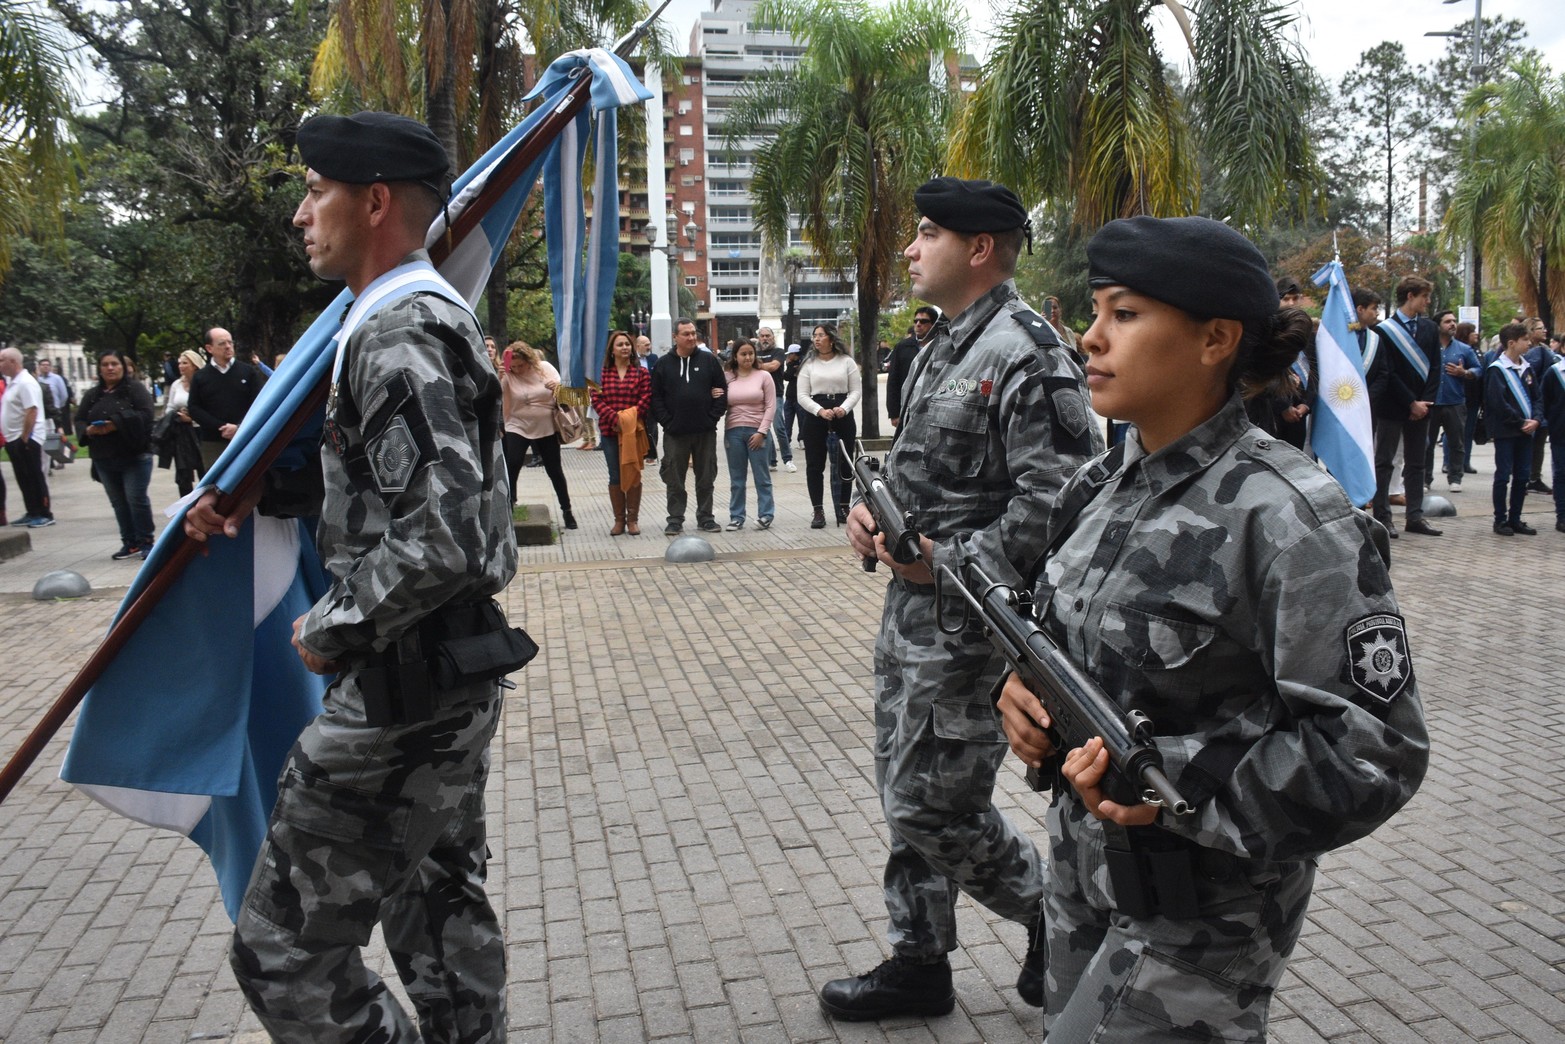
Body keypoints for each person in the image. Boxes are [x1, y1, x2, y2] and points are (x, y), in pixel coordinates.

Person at [997, 215, 1428, 1040]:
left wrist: (1170, 784)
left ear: (1214, 340)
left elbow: (1374, 749)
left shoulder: (1291, 517)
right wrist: (1016, 694)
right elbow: (1061, 644)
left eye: (1123, 315)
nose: (1088, 338)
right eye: (1094, 311)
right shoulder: (1094, 488)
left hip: (1205, 915)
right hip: (1084, 879)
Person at [183, 110, 516, 1042]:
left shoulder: (398, 329)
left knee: (282, 954)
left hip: (400, 686)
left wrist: (331, 626)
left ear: (374, 202)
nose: (300, 213)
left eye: (316, 190)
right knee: (435, 908)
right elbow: (387, 477)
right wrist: (270, 487)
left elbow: (444, 532)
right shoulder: (405, 319)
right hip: (443, 670)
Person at [827, 177, 1100, 1020]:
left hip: (977, 629)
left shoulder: (1027, 350)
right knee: (902, 791)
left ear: (978, 248)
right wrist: (868, 515)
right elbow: (921, 475)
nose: (909, 250)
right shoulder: (948, 343)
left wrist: (945, 562)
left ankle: (1055, 914)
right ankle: (919, 959)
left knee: (928, 804)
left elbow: (1060, 504)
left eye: (926, 234)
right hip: (915, 623)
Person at [1370, 277, 1442, 536]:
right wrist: (1410, 402)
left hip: (1423, 407)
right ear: (1410, 296)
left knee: (1416, 463)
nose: (1428, 301)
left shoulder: (1430, 329)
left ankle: (1415, 516)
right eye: (1425, 296)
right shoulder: (1384, 330)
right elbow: (1387, 371)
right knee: (1384, 462)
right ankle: (1383, 517)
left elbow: (1436, 367)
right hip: (1393, 405)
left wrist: (1425, 402)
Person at [651, 317, 728, 536]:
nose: (692, 337)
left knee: (706, 477)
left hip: (705, 432)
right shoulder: (663, 364)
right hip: (675, 433)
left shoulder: (709, 361)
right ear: (675, 337)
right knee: (674, 478)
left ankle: (706, 517)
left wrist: (711, 418)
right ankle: (675, 519)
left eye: (694, 333)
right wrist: (667, 422)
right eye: (686, 334)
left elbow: (721, 391)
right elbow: (655, 398)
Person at [75, 349, 156, 557]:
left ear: (122, 366)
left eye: (114, 364)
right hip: (104, 457)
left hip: (134, 455)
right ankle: (130, 542)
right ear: (100, 369)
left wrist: (116, 424)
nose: (110, 368)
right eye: (105, 365)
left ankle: (146, 540)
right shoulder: (93, 394)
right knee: (118, 501)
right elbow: (80, 418)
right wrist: (88, 430)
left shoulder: (135, 390)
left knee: (135, 498)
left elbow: (146, 415)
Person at [499, 340, 577, 529]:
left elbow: (570, 396)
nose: (517, 369)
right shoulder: (508, 374)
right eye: (514, 366)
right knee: (513, 464)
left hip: (546, 425)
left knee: (554, 470)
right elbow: (498, 397)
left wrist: (556, 388)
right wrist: (500, 377)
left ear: (529, 360)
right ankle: (510, 505)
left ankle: (567, 510)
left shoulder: (545, 368)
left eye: (521, 365)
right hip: (517, 424)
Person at [796, 323, 861, 528]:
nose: (816, 339)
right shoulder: (809, 364)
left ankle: (843, 507)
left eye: (821, 335)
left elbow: (855, 391)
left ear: (831, 339)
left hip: (842, 413)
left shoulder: (846, 362)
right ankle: (818, 510)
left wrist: (844, 408)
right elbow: (802, 395)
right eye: (814, 335)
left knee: (844, 462)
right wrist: (819, 411)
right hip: (816, 415)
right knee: (814, 465)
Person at [590, 329, 651, 535]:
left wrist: (627, 420)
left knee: (633, 472)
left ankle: (633, 519)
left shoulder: (641, 372)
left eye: (627, 344)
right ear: (612, 350)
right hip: (610, 431)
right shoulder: (601, 373)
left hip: (633, 432)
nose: (624, 347)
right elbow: (596, 399)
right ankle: (619, 520)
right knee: (615, 474)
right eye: (620, 345)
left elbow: (645, 398)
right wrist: (615, 419)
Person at [1486, 322, 1541, 536]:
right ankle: (1500, 519)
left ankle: (1515, 518)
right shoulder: (1497, 370)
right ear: (1512, 343)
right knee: (1503, 476)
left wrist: (1536, 418)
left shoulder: (1527, 367)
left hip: (1527, 431)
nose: (1529, 344)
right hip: (1507, 431)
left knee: (1522, 476)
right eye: (1525, 340)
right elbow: (1498, 403)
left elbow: (1537, 397)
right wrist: (1520, 422)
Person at [188, 326, 264, 470]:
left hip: (245, 438)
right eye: (222, 343)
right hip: (213, 442)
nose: (228, 347)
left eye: (230, 342)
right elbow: (194, 408)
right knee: (216, 487)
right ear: (209, 348)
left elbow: (259, 403)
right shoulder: (200, 377)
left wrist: (239, 427)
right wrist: (219, 426)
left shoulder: (248, 372)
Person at [723, 340, 776, 529]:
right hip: (733, 431)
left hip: (757, 432)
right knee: (737, 478)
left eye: (751, 353)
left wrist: (762, 432)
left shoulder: (764, 376)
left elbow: (771, 406)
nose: (747, 357)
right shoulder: (728, 376)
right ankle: (737, 516)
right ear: (735, 356)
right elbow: (721, 400)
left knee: (762, 476)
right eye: (743, 354)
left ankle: (766, 514)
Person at [1425, 310, 1480, 491]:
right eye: (1448, 321)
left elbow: (1479, 369)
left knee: (1457, 442)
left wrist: (1465, 373)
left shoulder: (1464, 349)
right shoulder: (1428, 346)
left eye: (1454, 321)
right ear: (1438, 325)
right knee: (1427, 443)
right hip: (1431, 402)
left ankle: (1455, 478)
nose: (1452, 324)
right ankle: (1425, 479)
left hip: (1454, 402)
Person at [0, 348, 54, 528]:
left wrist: (25, 437)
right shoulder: (13, 382)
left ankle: (44, 513)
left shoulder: (25, 383)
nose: (0, 364)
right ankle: (32, 511)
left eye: (2, 360)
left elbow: (32, 410)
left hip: (26, 438)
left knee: (34, 476)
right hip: (13, 438)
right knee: (24, 477)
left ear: (13, 362)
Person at [160, 349, 208, 497]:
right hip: (181, 433)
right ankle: (185, 508)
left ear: (194, 365)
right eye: (180, 363)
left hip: (200, 432)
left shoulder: (204, 382)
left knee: (204, 471)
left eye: (185, 363)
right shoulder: (176, 384)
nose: (180, 366)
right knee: (183, 475)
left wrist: (192, 418)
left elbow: (211, 408)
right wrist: (172, 416)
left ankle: (206, 502)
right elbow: (170, 406)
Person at [885, 306, 938, 428]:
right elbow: (893, 380)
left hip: (933, 406)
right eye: (916, 321)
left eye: (923, 321)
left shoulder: (941, 345)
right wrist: (894, 413)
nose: (918, 324)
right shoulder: (902, 347)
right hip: (908, 407)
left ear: (934, 324)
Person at [754, 325, 793, 472]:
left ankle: (788, 459)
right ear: (759, 338)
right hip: (758, 396)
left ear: (773, 337)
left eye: (767, 336)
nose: (765, 338)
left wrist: (756, 365)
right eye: (762, 336)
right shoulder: (755, 352)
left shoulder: (779, 352)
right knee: (764, 429)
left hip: (775, 395)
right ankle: (772, 461)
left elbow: (773, 367)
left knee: (779, 427)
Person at [635, 334, 660, 462]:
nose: (649, 347)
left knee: (652, 427)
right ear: (638, 346)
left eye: (649, 344)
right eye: (645, 345)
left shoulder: (654, 358)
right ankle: (640, 452)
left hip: (651, 398)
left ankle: (652, 454)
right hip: (636, 399)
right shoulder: (631, 359)